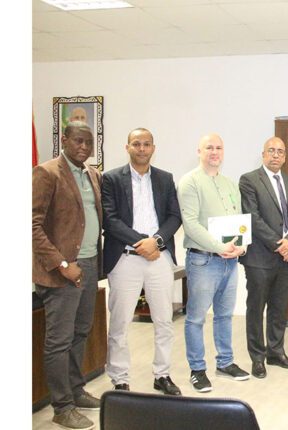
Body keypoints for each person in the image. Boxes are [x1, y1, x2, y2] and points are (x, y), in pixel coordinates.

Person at [101, 128, 182, 395]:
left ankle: (162, 375)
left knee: (164, 321)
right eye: (136, 144)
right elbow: (110, 220)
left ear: (153, 148)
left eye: (147, 144)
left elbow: (174, 216)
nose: (142, 148)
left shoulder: (165, 179)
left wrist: (155, 241)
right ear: (127, 147)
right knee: (120, 323)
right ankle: (120, 379)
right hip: (125, 258)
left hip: (159, 257)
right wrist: (142, 243)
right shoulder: (111, 178)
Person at [32, 121, 102, 430]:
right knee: (59, 341)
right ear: (64, 140)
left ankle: (76, 390)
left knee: (81, 332)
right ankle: (62, 407)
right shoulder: (47, 173)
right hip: (62, 272)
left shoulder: (92, 174)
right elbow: (32, 225)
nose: (84, 147)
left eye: (88, 142)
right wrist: (62, 264)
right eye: (78, 141)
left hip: (89, 265)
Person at [177, 134, 249, 393]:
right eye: (209, 147)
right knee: (196, 318)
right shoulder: (189, 182)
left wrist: (242, 245)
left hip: (230, 261)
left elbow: (239, 220)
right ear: (199, 151)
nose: (214, 152)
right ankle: (197, 370)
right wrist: (220, 247)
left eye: (219, 147)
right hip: (203, 260)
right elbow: (190, 224)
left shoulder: (230, 184)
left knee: (224, 315)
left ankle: (225, 362)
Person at [239, 137, 288, 378]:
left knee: (279, 308)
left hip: (286, 258)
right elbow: (252, 217)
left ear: (285, 157)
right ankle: (257, 358)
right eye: (271, 151)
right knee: (256, 309)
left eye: (280, 152)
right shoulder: (249, 180)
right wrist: (280, 244)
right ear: (263, 154)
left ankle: (276, 352)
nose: (276, 155)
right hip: (260, 257)